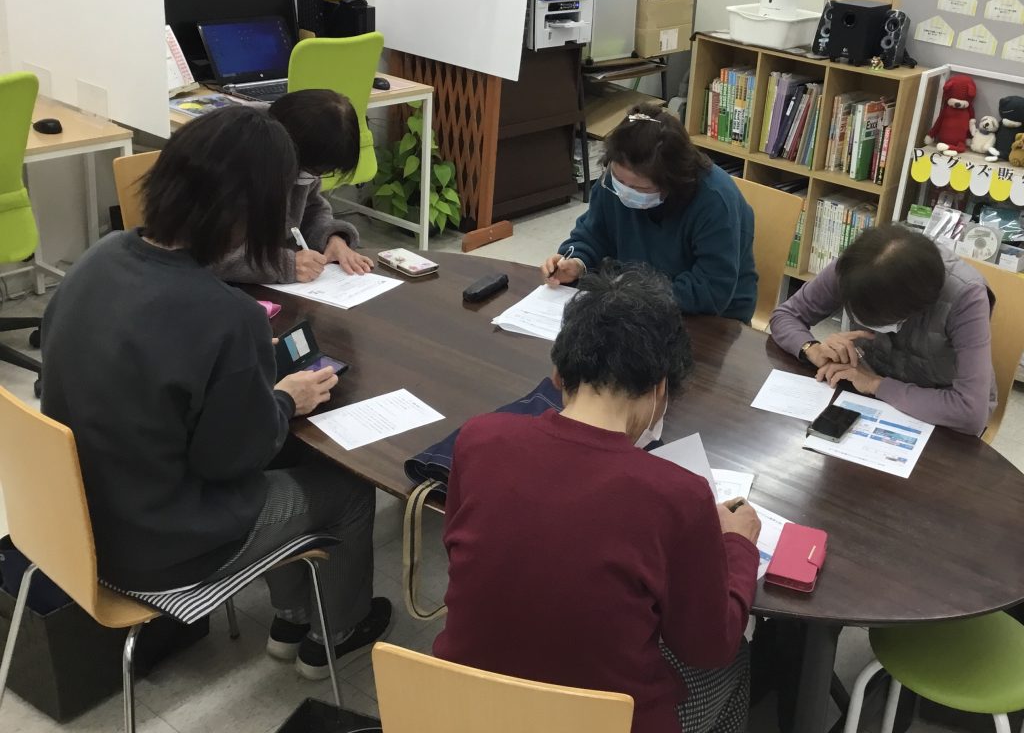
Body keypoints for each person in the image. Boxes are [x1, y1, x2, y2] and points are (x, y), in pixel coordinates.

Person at [40, 107, 390, 679]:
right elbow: (231, 462)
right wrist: (285, 400)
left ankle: (291, 619)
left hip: (73, 518)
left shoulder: (97, 259)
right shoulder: (228, 317)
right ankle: (337, 631)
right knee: (347, 489)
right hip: (156, 546)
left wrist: (246, 384)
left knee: (285, 453)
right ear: (255, 212)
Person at [434, 264, 761, 733]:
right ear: (660, 389)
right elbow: (708, 646)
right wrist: (738, 546)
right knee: (736, 660)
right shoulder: (679, 496)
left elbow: (464, 551)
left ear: (557, 372)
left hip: (460, 709)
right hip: (605, 723)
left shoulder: (479, 439)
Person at [770, 224, 996, 436]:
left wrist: (876, 384)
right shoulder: (860, 264)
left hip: (937, 409)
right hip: (864, 391)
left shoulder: (966, 297)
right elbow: (786, 315)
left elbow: (970, 412)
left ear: (913, 310)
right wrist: (812, 349)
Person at [540, 104, 758, 322]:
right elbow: (592, 234)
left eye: (640, 188)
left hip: (709, 317)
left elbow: (712, 289)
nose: (625, 192)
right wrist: (577, 262)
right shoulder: (612, 183)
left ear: (672, 182)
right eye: (619, 180)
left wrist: (633, 294)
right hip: (632, 302)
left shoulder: (714, 201)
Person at [212, 89, 374, 284]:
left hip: (271, 279)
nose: (312, 178)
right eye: (309, 170)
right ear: (287, 148)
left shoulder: (303, 151)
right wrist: (284, 265)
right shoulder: (225, 160)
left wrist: (332, 238)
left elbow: (311, 208)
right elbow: (207, 256)